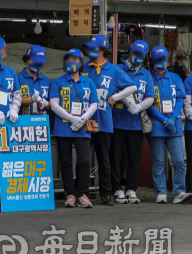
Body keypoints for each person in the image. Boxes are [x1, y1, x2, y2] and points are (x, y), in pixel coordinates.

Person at [81, 35, 136, 206]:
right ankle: (81, 193)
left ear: (103, 50)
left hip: (103, 121)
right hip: (82, 120)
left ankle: (106, 193)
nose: (90, 51)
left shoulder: (114, 71)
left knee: (104, 159)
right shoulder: (83, 68)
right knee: (83, 159)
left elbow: (132, 86)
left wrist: (115, 97)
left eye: (94, 48)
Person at [50, 49, 99, 208]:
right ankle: (70, 193)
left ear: (81, 63)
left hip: (83, 127)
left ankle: (82, 193)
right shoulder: (58, 82)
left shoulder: (88, 82)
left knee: (84, 161)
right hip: (63, 126)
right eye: (69, 59)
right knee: (66, 162)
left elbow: (94, 104)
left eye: (76, 60)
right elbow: (54, 104)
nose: (72, 62)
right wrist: (72, 118)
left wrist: (82, 119)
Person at [110, 40, 154, 204]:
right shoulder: (116, 69)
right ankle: (116, 189)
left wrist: (139, 107)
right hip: (115, 121)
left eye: (141, 55)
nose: (137, 57)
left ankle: (131, 190)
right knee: (115, 157)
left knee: (134, 158)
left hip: (135, 124)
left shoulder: (146, 74)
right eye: (135, 53)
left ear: (145, 56)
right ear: (130, 51)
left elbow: (150, 97)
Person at [146, 46, 191, 204]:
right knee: (158, 161)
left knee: (179, 160)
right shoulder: (149, 78)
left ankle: (179, 191)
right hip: (157, 127)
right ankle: (161, 193)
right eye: (158, 60)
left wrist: (173, 118)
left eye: (164, 59)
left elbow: (180, 98)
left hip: (175, 126)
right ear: (153, 60)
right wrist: (164, 119)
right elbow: (148, 104)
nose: (162, 62)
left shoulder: (175, 78)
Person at [18, 45, 51, 116]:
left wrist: (47, 104)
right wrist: (31, 100)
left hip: (41, 124)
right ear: (27, 60)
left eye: (40, 63)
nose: (37, 65)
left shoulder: (47, 80)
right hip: (22, 124)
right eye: (35, 61)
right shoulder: (18, 78)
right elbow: (11, 102)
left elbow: (54, 105)